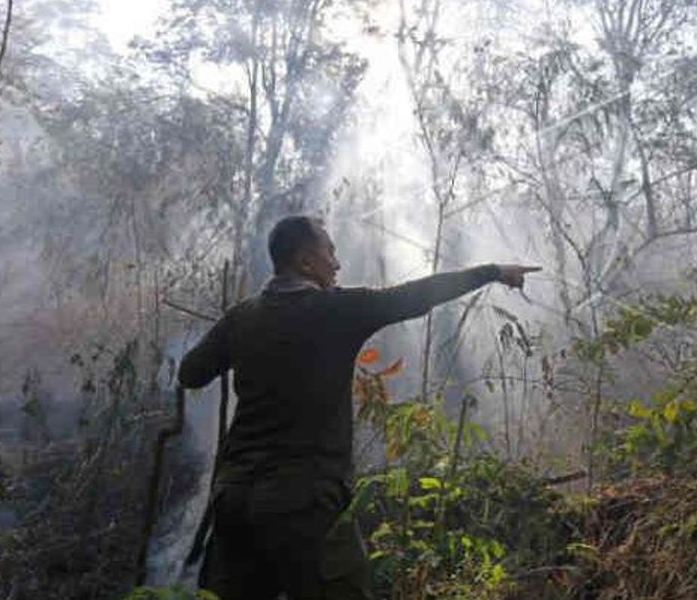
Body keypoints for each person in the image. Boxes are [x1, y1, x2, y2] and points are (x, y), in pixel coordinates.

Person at [178, 215, 539, 599]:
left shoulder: (242, 317)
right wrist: (494, 271)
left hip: (234, 503)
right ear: (304, 262)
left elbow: (191, 373)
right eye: (329, 252)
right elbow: (417, 294)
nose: (336, 263)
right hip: (304, 503)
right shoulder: (336, 310)